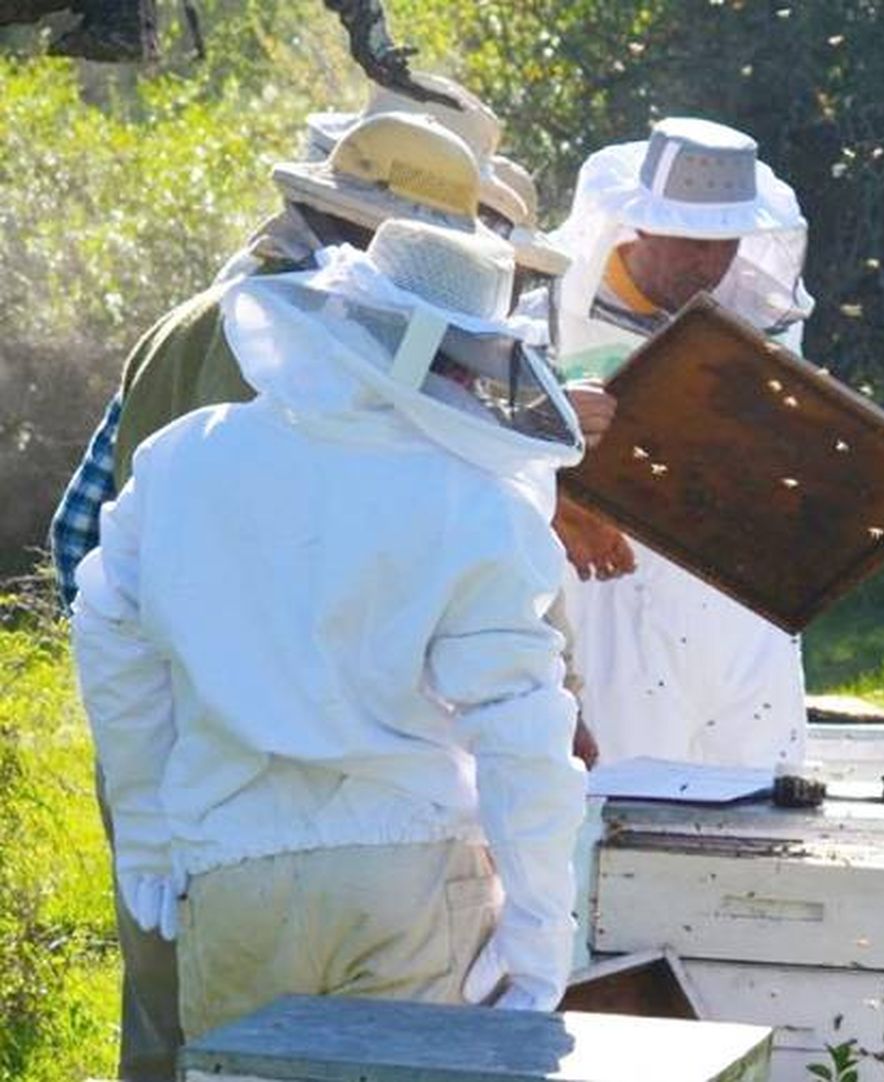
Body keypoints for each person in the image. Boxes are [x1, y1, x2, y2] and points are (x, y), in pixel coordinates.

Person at [48, 80, 585, 1081]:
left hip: (229, 875)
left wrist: (154, 835)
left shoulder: (187, 456)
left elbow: (102, 625)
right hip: (412, 870)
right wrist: (542, 937)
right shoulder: (475, 501)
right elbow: (522, 729)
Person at [546, 116, 816, 768]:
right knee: (626, 809)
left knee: (759, 802)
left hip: (745, 593)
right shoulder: (553, 314)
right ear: (642, 223)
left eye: (726, 242)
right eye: (693, 242)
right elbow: (499, 457)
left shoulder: (755, 304)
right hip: (613, 593)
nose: (713, 262)